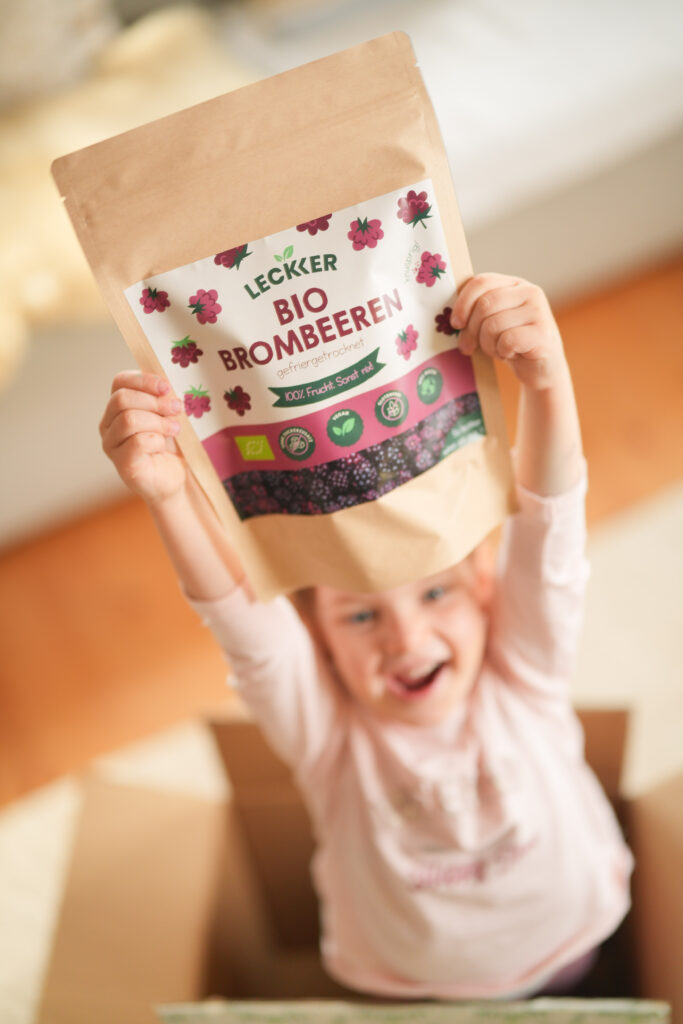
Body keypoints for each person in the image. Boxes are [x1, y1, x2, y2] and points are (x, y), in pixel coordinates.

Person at [100, 272, 632, 999]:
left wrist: (544, 377)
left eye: (436, 592)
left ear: (483, 597)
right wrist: (166, 497)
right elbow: (248, 630)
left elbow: (550, 539)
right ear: (319, 642)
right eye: (359, 615)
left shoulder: (523, 678)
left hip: (571, 946)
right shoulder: (328, 739)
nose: (405, 636)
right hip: (401, 989)